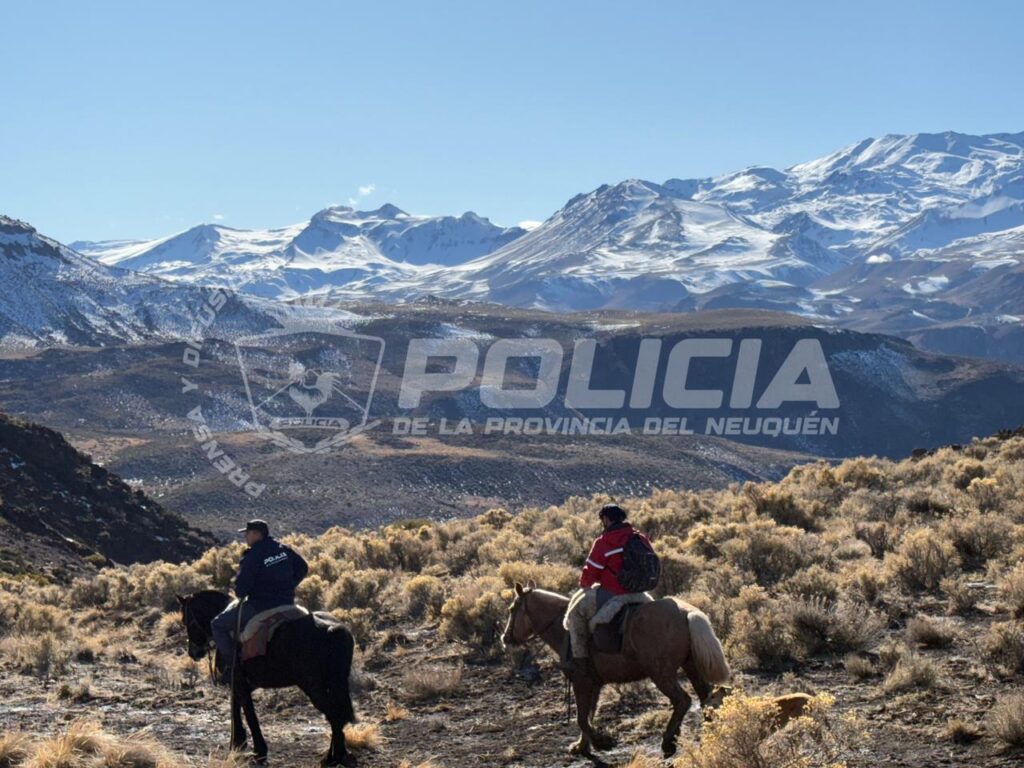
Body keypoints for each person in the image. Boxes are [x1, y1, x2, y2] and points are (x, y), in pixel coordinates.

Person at [210, 519, 309, 683]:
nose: (245, 537)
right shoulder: (283, 549)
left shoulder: (253, 555)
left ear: (257, 534)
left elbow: (241, 590)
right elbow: (303, 567)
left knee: (218, 625)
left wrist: (245, 590)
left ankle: (233, 667)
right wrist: (289, 585)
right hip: (287, 602)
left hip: (261, 606)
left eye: (247, 533)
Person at [560, 504, 650, 673]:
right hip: (639, 593)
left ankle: (581, 662)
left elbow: (590, 573)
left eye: (602, 519)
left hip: (614, 593)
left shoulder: (605, 541)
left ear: (606, 519)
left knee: (576, 613)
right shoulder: (640, 538)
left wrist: (585, 586)